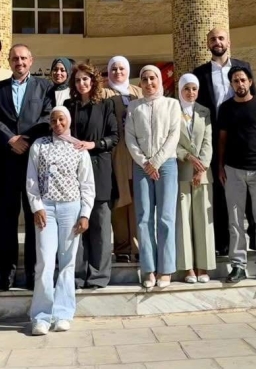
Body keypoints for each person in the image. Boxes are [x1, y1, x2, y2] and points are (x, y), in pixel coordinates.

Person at [0, 43, 54, 290]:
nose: (20, 62)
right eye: (15, 58)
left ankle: (34, 273)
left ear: (31, 60)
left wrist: (26, 139)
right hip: (6, 162)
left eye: (24, 58)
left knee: (36, 217)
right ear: (9, 61)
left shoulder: (44, 87)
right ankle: (7, 274)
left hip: (34, 161)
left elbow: (47, 116)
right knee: (6, 219)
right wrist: (10, 139)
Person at [26, 107, 94, 335]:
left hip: (70, 209)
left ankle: (63, 314)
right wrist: (36, 206)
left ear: (69, 121)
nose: (58, 124)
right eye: (54, 120)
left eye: (61, 119)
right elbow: (31, 180)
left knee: (67, 262)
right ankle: (41, 316)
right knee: (45, 262)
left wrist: (85, 213)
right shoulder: (39, 145)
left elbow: (87, 184)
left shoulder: (79, 148)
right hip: (46, 209)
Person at [191, 27, 256, 257]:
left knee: (250, 191)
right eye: (213, 39)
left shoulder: (243, 67)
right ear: (208, 44)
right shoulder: (200, 73)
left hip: (243, 138)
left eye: (221, 38)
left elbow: (254, 100)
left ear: (228, 42)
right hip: (215, 137)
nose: (217, 42)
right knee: (219, 191)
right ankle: (223, 242)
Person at [217, 67, 256, 284]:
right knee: (235, 222)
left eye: (243, 80)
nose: (240, 84)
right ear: (231, 84)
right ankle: (238, 266)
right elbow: (222, 139)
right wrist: (220, 167)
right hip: (233, 170)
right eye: (235, 81)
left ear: (250, 82)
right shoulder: (226, 108)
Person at [124, 65, 181, 289]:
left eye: (153, 78)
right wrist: (145, 162)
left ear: (160, 80)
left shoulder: (172, 104)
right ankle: (148, 269)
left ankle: (165, 269)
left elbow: (173, 135)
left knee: (166, 217)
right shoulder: (134, 107)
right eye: (145, 79)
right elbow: (130, 137)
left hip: (166, 165)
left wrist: (156, 162)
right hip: (141, 166)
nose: (149, 83)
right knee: (144, 217)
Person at [65, 63, 119, 289]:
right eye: (78, 80)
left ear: (93, 81)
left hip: (99, 170)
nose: (82, 83)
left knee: (99, 226)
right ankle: (77, 276)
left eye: (85, 79)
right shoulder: (69, 106)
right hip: (73, 173)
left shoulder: (106, 105)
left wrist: (93, 144)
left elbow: (114, 136)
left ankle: (98, 276)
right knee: (76, 226)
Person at [175, 73, 216, 283]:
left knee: (203, 220)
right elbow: (170, 140)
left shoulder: (204, 112)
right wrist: (187, 156)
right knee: (183, 220)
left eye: (194, 89)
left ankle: (203, 266)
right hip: (181, 170)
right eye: (186, 89)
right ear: (180, 90)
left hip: (202, 173)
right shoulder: (173, 110)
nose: (190, 93)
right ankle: (188, 267)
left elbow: (208, 141)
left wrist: (202, 168)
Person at [101, 56, 142, 263]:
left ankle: (139, 246)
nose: (118, 72)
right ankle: (122, 247)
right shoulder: (103, 93)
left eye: (121, 68)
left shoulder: (138, 92)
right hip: (116, 155)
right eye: (114, 69)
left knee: (138, 200)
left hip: (138, 154)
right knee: (119, 199)